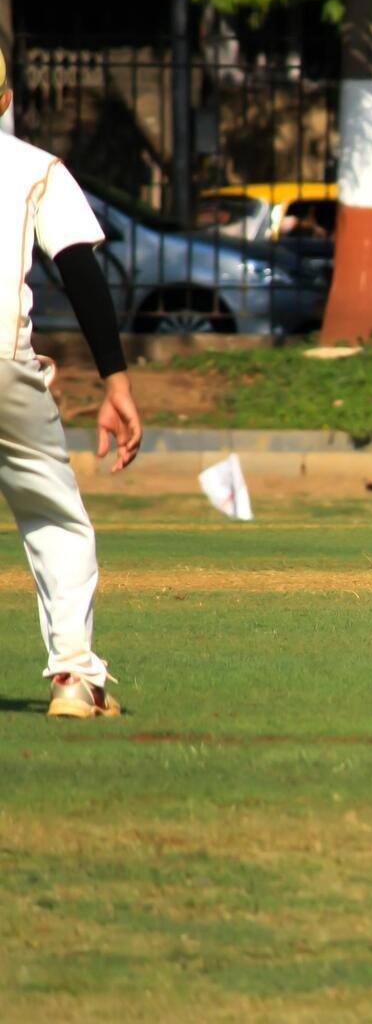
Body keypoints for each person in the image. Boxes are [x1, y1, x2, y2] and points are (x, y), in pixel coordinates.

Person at [0, 48, 144, 717]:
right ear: (5, 99)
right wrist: (116, 382)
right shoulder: (33, 167)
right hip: (4, 370)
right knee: (56, 518)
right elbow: (79, 270)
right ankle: (74, 679)